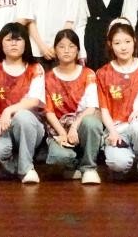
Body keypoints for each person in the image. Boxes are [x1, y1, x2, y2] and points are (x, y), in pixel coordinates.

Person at [0, 22, 46, 183]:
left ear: (26, 43)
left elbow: (34, 101)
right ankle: (16, 163)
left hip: (29, 126)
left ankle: (26, 169)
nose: (14, 44)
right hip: (0, 126)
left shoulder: (35, 68)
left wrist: (8, 110)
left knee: (22, 116)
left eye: (18, 39)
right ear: (1, 44)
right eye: (9, 40)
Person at [97, 22, 138, 184]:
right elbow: (104, 110)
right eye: (117, 43)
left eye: (127, 41)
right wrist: (112, 132)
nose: (123, 47)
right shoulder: (103, 73)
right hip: (117, 129)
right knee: (118, 164)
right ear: (110, 45)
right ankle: (128, 163)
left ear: (134, 41)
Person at [43, 29, 104, 184]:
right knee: (59, 157)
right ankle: (72, 165)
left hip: (80, 127)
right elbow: (49, 112)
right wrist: (63, 133)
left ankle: (88, 168)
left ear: (77, 50)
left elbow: (91, 107)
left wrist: (74, 127)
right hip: (59, 131)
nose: (66, 50)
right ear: (55, 50)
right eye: (61, 46)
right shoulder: (48, 78)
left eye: (71, 46)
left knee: (92, 122)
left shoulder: (88, 74)